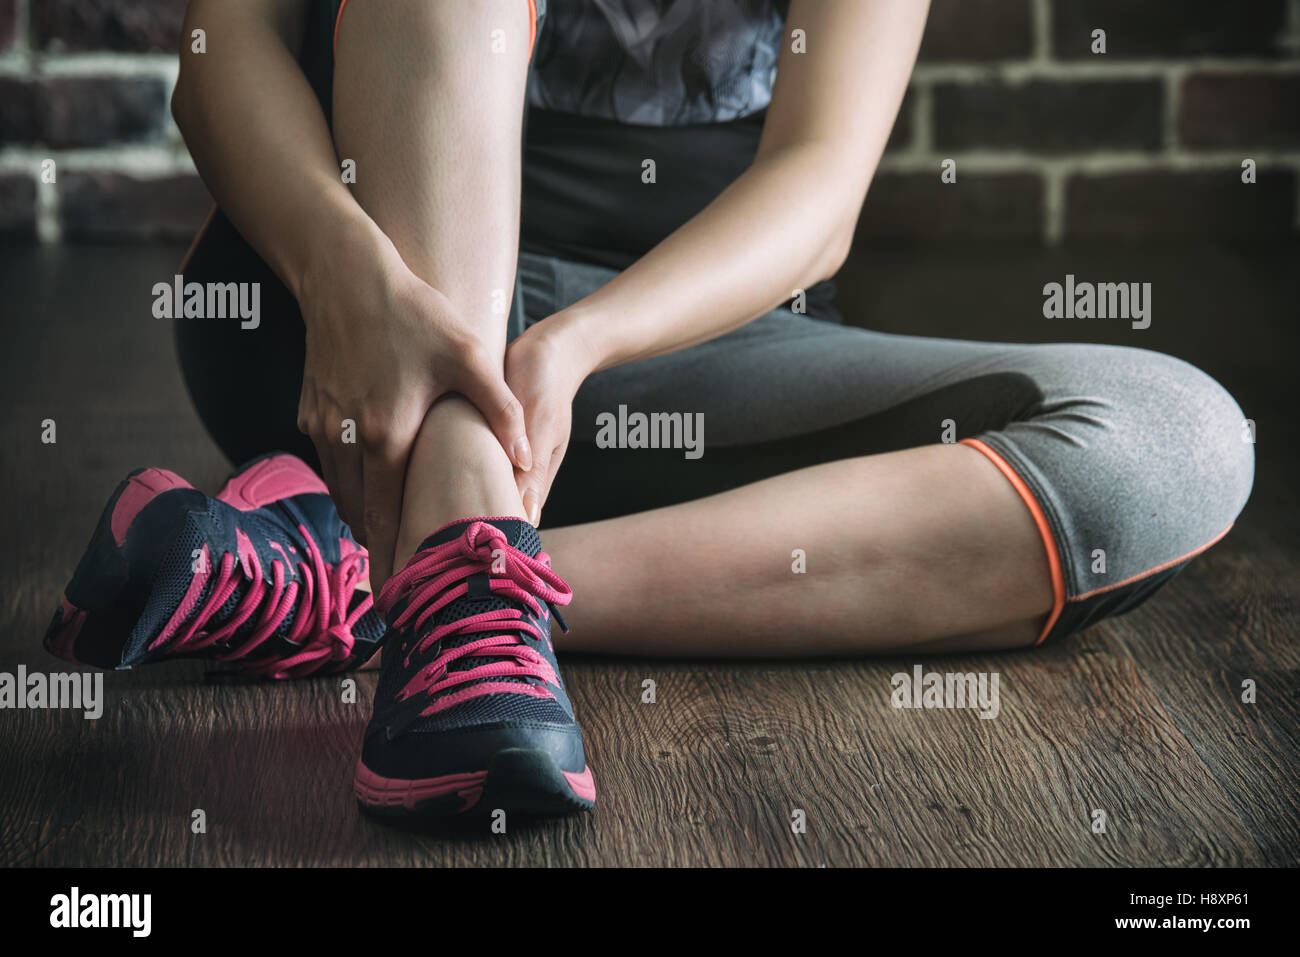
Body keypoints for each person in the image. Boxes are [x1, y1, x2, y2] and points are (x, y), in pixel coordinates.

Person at [44, 0, 1253, 818]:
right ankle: (458, 535)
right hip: (344, 319)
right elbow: (219, 64)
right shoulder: (347, 289)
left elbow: (818, 190)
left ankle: (396, 588)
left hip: (664, 353)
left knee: (1168, 444)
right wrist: (349, 279)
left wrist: (581, 343)